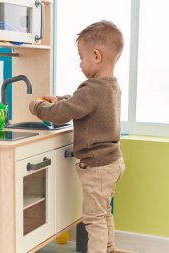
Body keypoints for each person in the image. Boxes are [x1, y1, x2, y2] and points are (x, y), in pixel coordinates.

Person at [29, 20, 126, 253]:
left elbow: (63, 114)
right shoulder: (110, 86)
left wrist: (38, 108)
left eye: (81, 57)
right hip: (112, 162)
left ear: (96, 55)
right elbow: (76, 103)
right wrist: (59, 99)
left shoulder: (92, 88)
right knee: (103, 213)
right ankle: (110, 248)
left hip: (98, 167)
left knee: (93, 219)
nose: (80, 63)